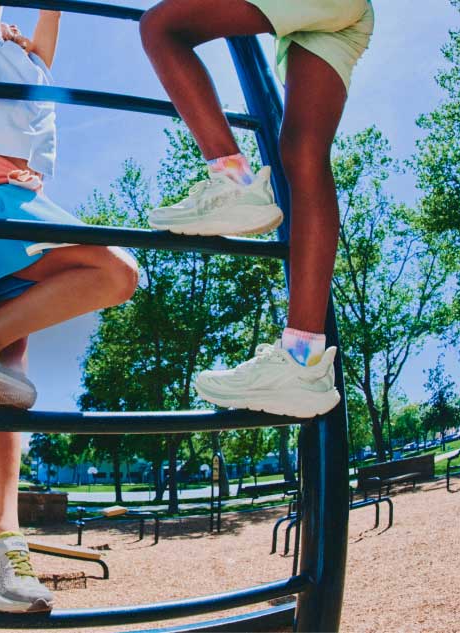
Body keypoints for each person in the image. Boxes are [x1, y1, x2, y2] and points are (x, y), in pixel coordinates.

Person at [0, 6, 138, 612]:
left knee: (3, 389)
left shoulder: (30, 65)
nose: (21, 35)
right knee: (115, 271)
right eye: (7, 26)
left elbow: (47, 31)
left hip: (20, 199)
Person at [139, 0, 374, 418]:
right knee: (303, 154)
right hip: (343, 16)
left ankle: (235, 182)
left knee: (161, 28)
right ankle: (302, 362)